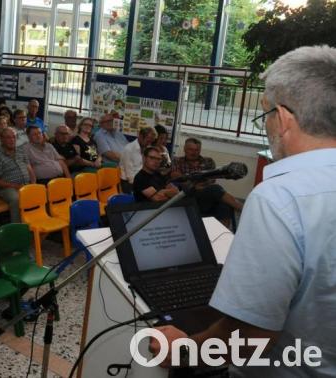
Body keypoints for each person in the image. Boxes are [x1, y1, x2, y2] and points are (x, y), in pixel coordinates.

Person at [149, 45, 336, 376]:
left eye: (266, 116)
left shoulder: (280, 198)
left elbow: (253, 335)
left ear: (284, 118)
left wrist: (185, 350)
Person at [170, 138, 243, 223]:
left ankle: (223, 233)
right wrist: (195, 185)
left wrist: (198, 183)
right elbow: (176, 176)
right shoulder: (177, 161)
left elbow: (212, 179)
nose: (193, 152)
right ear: (184, 149)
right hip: (188, 194)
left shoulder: (208, 161)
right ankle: (243, 209)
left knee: (224, 205)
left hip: (206, 192)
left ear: (200, 150)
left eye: (197, 150)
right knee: (215, 189)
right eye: (190, 149)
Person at [0, 127, 35, 223]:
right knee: (16, 199)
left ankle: (34, 224)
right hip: (7, 188)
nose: (12, 140)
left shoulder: (21, 151)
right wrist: (14, 186)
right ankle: (17, 228)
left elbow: (29, 168)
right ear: (2, 140)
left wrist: (33, 183)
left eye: (14, 137)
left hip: (25, 184)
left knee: (39, 192)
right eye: (8, 138)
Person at [120, 126, 157, 192]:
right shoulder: (129, 149)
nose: (149, 144)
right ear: (140, 136)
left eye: (151, 142)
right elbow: (130, 176)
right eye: (148, 141)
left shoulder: (147, 148)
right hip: (129, 184)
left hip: (141, 180)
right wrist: (143, 184)